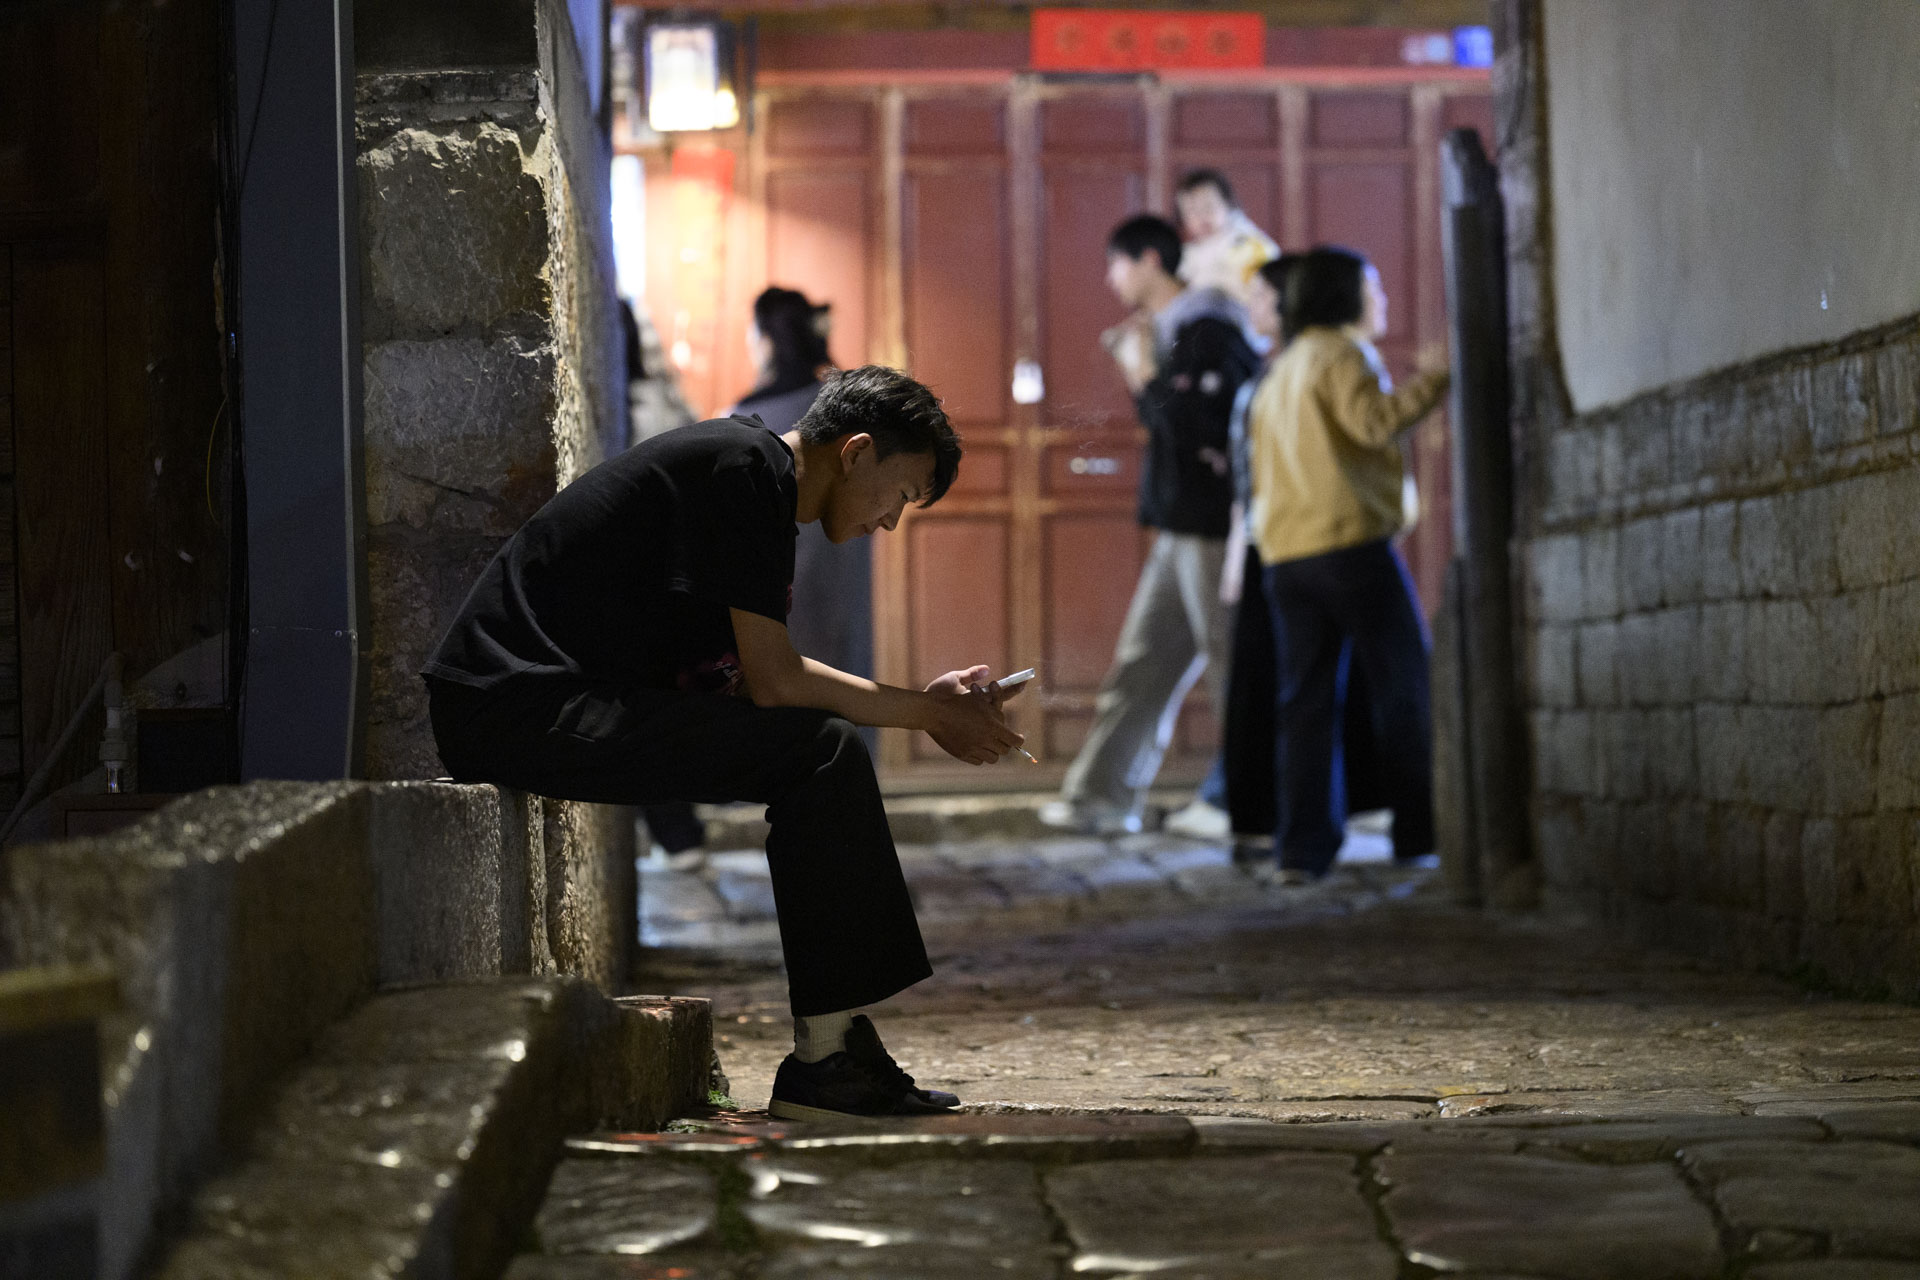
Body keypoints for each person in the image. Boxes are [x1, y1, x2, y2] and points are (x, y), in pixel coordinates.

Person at [422, 365, 1027, 1119]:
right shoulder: (746, 469)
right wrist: (929, 717)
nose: (890, 522)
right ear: (857, 451)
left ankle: (836, 1046)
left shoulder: (753, 477)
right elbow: (775, 681)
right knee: (821, 750)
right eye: (900, 495)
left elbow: (743, 678)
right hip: (513, 704)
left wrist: (928, 707)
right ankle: (828, 1059)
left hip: (540, 701)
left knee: (821, 747)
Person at [1040, 214, 1260, 836]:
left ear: (1148, 262)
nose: (1111, 279)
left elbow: (1202, 428)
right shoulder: (1165, 330)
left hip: (1212, 527)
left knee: (1232, 669)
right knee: (1143, 666)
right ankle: (1101, 799)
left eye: (1116, 264)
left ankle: (1245, 804)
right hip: (1178, 525)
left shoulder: (1209, 329)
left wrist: (1142, 375)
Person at [1248, 245, 1448, 883]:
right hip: (1349, 546)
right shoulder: (1342, 353)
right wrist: (1440, 378)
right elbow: (1373, 423)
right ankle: (1420, 832)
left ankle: (1302, 853)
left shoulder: (1281, 370)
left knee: (1306, 706)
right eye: (1374, 287)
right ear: (1345, 298)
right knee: (1404, 688)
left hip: (1287, 556)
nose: (1382, 300)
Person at [1174, 169, 1280, 309]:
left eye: (1208, 207)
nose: (1202, 217)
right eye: (1192, 211)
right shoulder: (1190, 252)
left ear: (1229, 204)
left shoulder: (1249, 244)